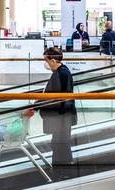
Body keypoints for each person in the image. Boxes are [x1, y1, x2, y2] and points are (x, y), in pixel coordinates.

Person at [37, 47, 77, 180]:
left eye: (46, 60)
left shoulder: (61, 73)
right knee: (59, 143)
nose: (45, 63)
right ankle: (62, 172)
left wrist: (38, 104)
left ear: (53, 60)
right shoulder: (62, 72)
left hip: (62, 116)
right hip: (62, 116)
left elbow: (57, 96)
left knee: (61, 144)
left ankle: (63, 174)